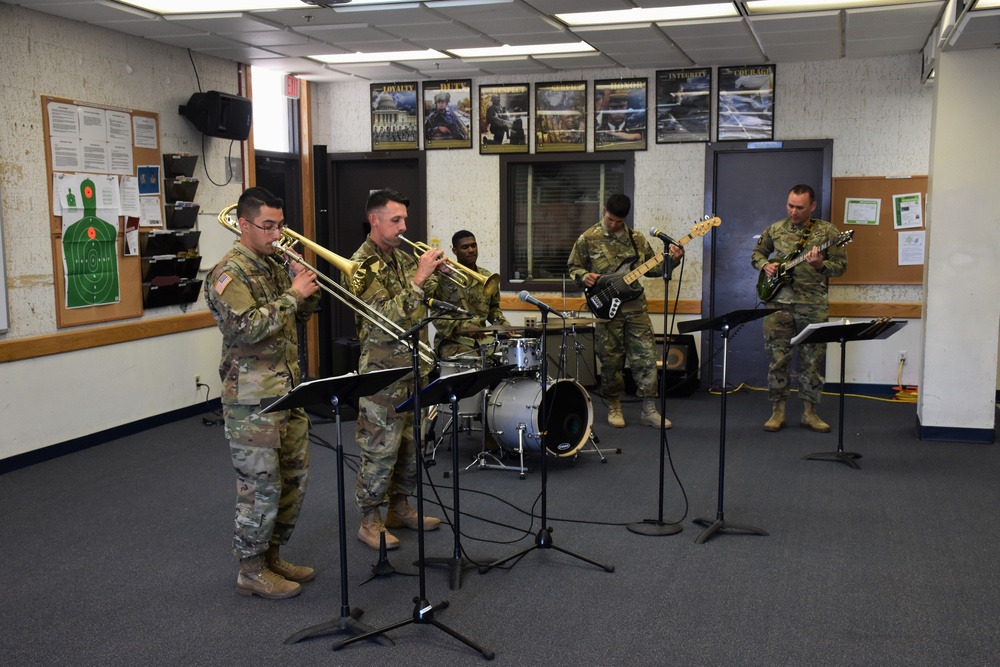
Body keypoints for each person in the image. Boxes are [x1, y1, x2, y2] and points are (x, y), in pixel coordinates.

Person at [204, 187, 321, 599]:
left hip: (287, 390)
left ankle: (271, 555)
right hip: (251, 400)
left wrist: (304, 290)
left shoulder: (273, 265)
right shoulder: (227, 273)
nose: (276, 234)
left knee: (294, 478)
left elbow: (295, 319)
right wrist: (293, 295)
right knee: (260, 485)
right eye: (268, 226)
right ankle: (250, 569)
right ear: (243, 224)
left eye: (280, 225)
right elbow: (247, 327)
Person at [349, 188, 447, 550]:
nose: (405, 226)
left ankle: (399, 507)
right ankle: (370, 520)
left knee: (410, 445)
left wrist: (437, 273)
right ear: (374, 220)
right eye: (396, 220)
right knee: (379, 448)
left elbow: (422, 304)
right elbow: (383, 319)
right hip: (382, 373)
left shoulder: (401, 259)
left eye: (405, 219)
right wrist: (419, 279)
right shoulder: (360, 266)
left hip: (412, 368)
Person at [567, 193, 682, 429]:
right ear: (603, 210)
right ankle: (614, 405)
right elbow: (573, 267)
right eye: (610, 219)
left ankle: (649, 410)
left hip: (635, 307)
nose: (613, 225)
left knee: (646, 357)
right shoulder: (588, 238)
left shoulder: (637, 239)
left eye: (618, 222)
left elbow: (654, 268)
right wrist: (583, 276)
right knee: (610, 359)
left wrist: (674, 261)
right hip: (605, 307)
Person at [751, 184, 848, 433]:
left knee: (812, 361)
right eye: (790, 206)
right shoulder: (775, 228)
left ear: (812, 206)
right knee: (777, 359)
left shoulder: (828, 231)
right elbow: (757, 253)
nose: (794, 211)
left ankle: (809, 413)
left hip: (812, 305)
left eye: (800, 207)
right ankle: (778, 411)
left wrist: (819, 265)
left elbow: (841, 266)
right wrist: (765, 266)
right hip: (777, 305)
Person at [433, 230, 510, 359]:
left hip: (481, 340)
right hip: (452, 341)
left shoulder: (487, 277)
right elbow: (436, 316)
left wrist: (503, 325)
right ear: (455, 251)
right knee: (470, 360)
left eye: (473, 246)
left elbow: (493, 308)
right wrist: (466, 327)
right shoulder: (444, 277)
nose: (471, 250)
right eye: (465, 247)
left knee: (508, 356)